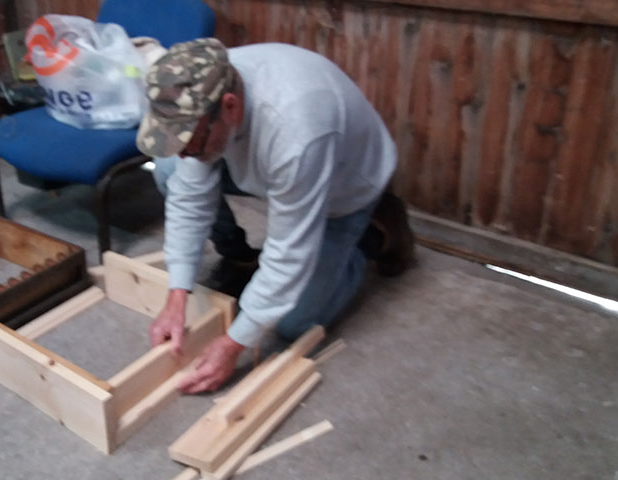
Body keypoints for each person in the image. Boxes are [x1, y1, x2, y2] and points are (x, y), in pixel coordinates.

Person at [136, 38, 414, 394]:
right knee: (170, 170)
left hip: (345, 189)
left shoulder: (298, 130)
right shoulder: (199, 92)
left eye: (192, 139)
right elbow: (188, 198)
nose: (186, 151)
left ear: (230, 106)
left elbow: (289, 250)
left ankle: (375, 231)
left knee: (295, 322)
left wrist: (235, 344)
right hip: (270, 165)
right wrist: (177, 295)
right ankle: (240, 259)